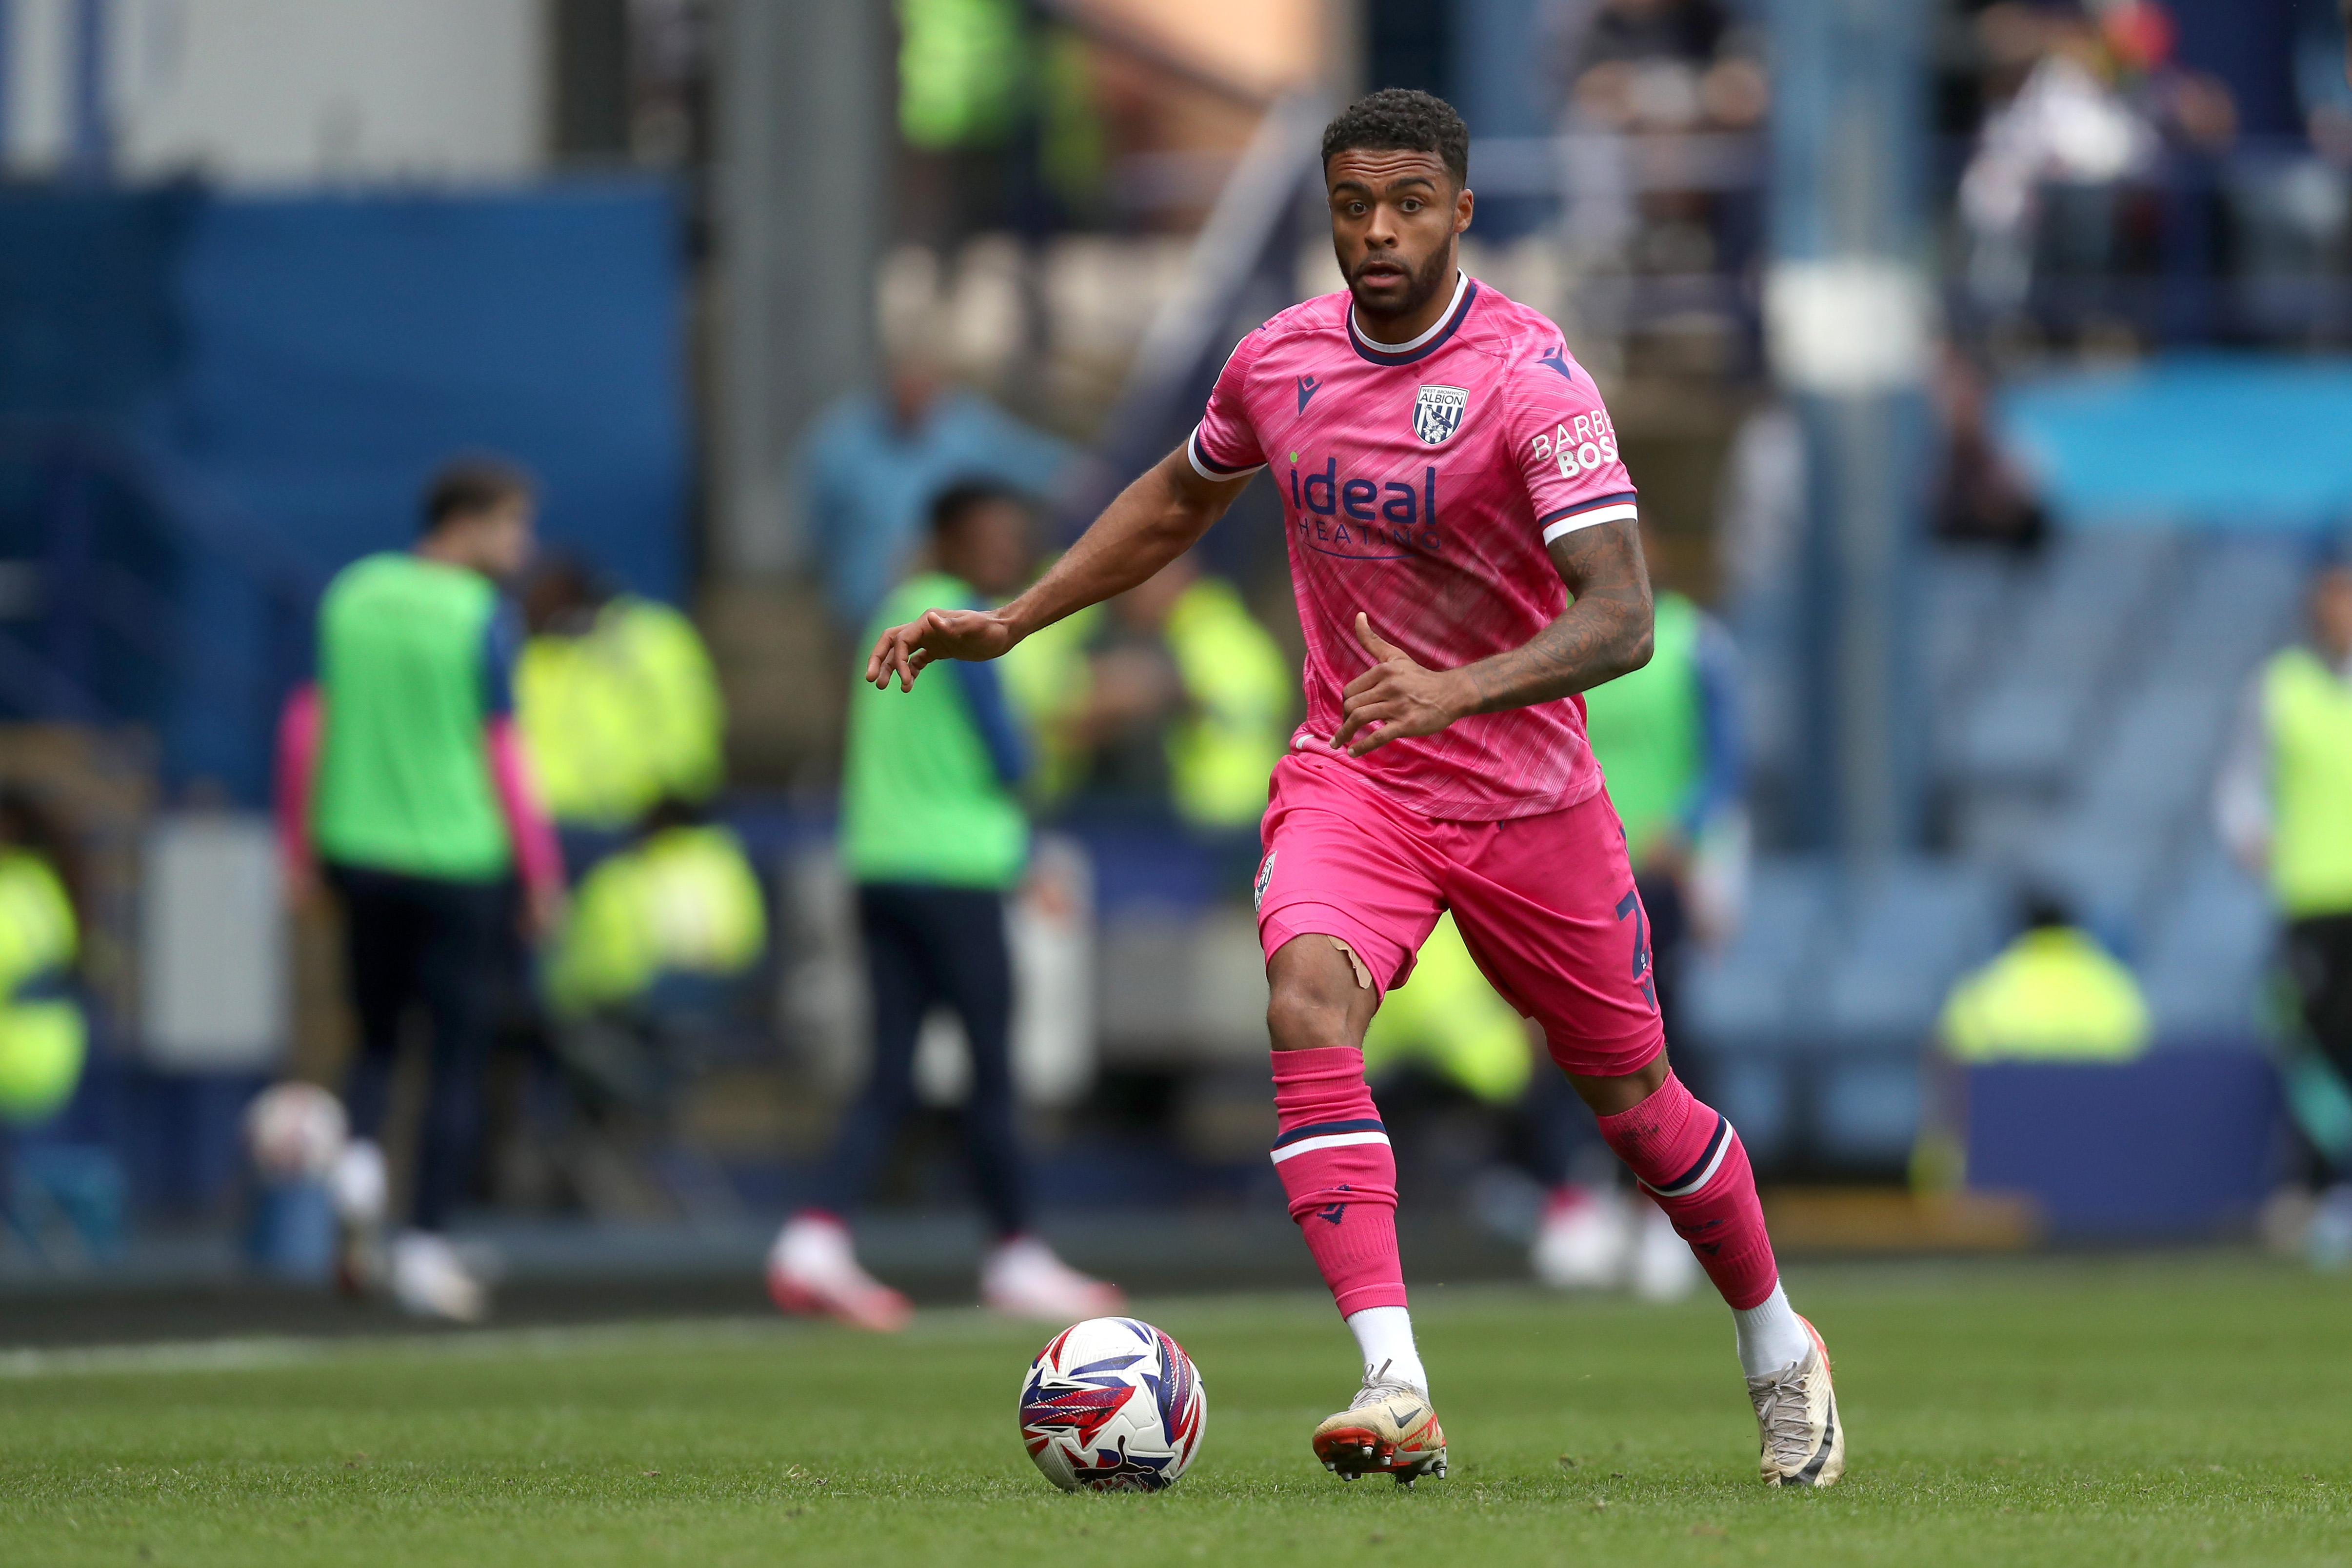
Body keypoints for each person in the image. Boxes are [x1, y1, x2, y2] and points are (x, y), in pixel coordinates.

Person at [863, 90, 1843, 1489]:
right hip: (1356, 772)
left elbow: (1619, 615)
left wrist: (1458, 684)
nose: (1373, 232)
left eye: (1403, 205)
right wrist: (1016, 616)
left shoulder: (1530, 377)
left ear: (1456, 211)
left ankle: (1770, 1339)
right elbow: (1176, 496)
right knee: (1304, 995)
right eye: (1349, 207)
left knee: (1633, 1097)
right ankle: (1395, 1381)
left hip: (1524, 795)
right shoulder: (1276, 359)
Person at [768, 480, 1122, 1330]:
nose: (1005, 553)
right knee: (992, 1071)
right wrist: (1093, 719)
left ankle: (814, 1238)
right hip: (957, 871)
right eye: (990, 536)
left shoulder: (891, 607)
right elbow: (1010, 758)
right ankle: (1016, 1254)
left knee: (891, 1068)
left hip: (881, 863)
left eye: (1014, 537)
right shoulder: (962, 620)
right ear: (946, 538)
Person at [276, 458, 566, 1323]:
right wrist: (541, 868)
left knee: (372, 1042)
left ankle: (360, 1172)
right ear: (466, 522)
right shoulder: (481, 614)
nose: (524, 546)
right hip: (458, 858)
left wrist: (298, 849)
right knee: (453, 1060)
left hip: (357, 851)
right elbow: (502, 750)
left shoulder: (352, 594)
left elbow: (306, 728)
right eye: (513, 525)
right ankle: (425, 1250)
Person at [1533, 536, 1744, 1299]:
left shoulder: (1694, 640)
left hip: (1656, 870)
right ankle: (1575, 1194)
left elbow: (1724, 761)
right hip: (1573, 860)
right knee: (1562, 1033)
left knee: (1662, 1037)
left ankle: (1664, 1207)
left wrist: (1685, 832)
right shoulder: (1551, 632)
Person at [2216, 550, 2352, 1264]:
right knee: (2321, 1042)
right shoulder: (2278, 687)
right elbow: (2240, 781)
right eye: (2331, 599)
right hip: (2309, 896)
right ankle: (2330, 1190)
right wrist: (2249, 835)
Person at [799, 350, 1076, 633]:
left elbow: (1025, 458)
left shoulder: (967, 429)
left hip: (948, 602)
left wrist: (1080, 479)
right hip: (863, 605)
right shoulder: (841, 443)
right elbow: (818, 524)